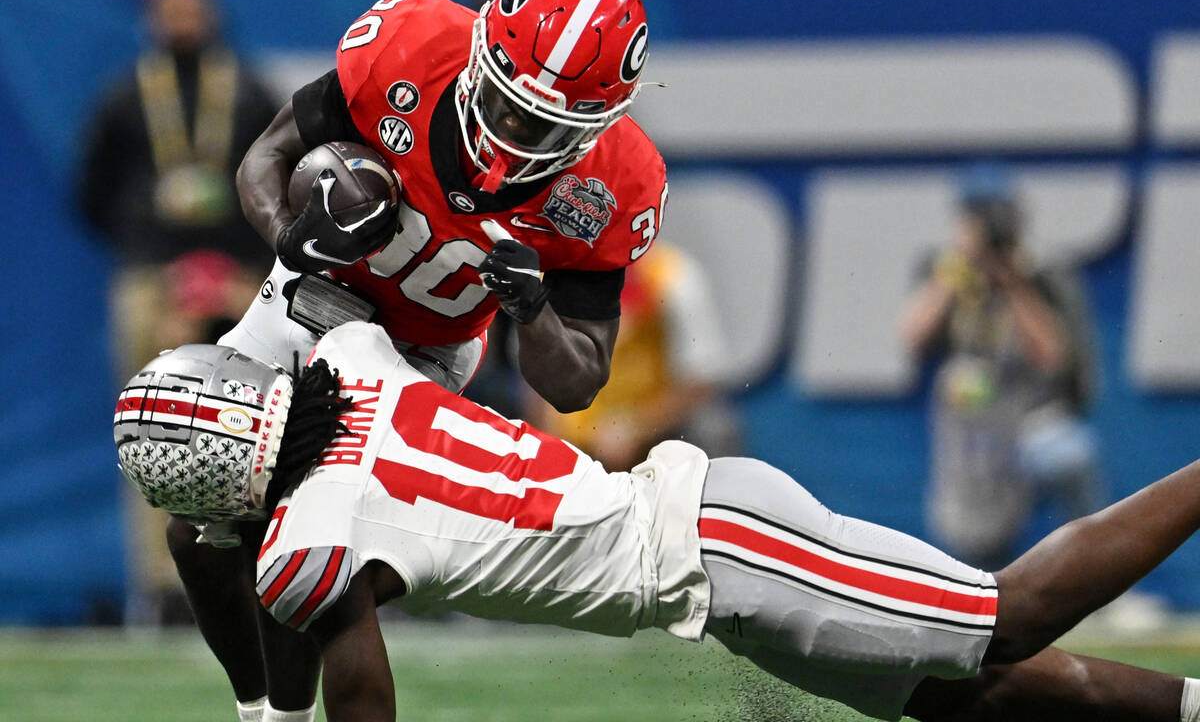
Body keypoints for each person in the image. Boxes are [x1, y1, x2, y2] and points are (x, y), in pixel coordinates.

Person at [116, 320, 1200, 722]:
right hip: (716, 558)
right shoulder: (346, 358)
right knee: (962, 692)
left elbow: (356, 697)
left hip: (723, 550)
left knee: (1006, 616)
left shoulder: (312, 542)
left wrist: (271, 702)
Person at [169, 0, 668, 719]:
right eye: (504, 100)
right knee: (192, 518)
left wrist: (530, 311)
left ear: (599, 123)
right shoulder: (409, 45)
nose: (511, 130)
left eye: (544, 123)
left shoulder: (613, 185)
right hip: (315, 294)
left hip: (420, 353)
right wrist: (293, 237)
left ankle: (288, 718)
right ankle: (258, 709)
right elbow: (264, 160)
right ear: (480, 50)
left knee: (309, 542)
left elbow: (577, 384)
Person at [77, 0, 278, 624]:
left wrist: (241, 260)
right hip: (153, 279)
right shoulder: (124, 98)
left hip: (239, 279)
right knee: (149, 432)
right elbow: (90, 192)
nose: (183, 17)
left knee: (253, 432)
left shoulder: (248, 93)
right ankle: (164, 590)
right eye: (170, 6)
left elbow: (281, 181)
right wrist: (146, 247)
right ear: (151, 16)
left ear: (213, 12)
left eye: (193, 5)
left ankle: (256, 571)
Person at [898, 168, 1106, 570]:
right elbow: (911, 336)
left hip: (1031, 423)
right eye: (976, 216)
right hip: (972, 436)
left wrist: (1011, 281)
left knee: (1067, 455)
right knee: (972, 540)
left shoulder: (1041, 271)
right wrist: (954, 272)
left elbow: (1053, 356)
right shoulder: (945, 271)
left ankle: (1096, 576)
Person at [527, 241, 743, 471]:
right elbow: (537, 379)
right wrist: (553, 448)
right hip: (581, 439)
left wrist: (635, 428)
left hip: (656, 432)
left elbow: (699, 382)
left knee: (713, 429)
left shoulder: (673, 276)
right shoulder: (552, 278)